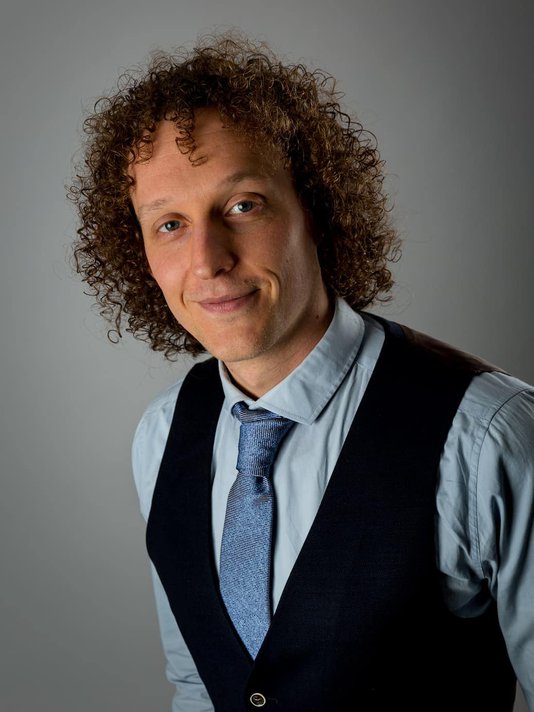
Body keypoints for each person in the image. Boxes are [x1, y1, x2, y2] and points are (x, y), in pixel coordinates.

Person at [70, 33, 534, 711]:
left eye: (243, 205)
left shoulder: (491, 437)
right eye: (169, 224)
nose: (207, 261)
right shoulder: (161, 437)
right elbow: (199, 684)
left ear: (315, 208)